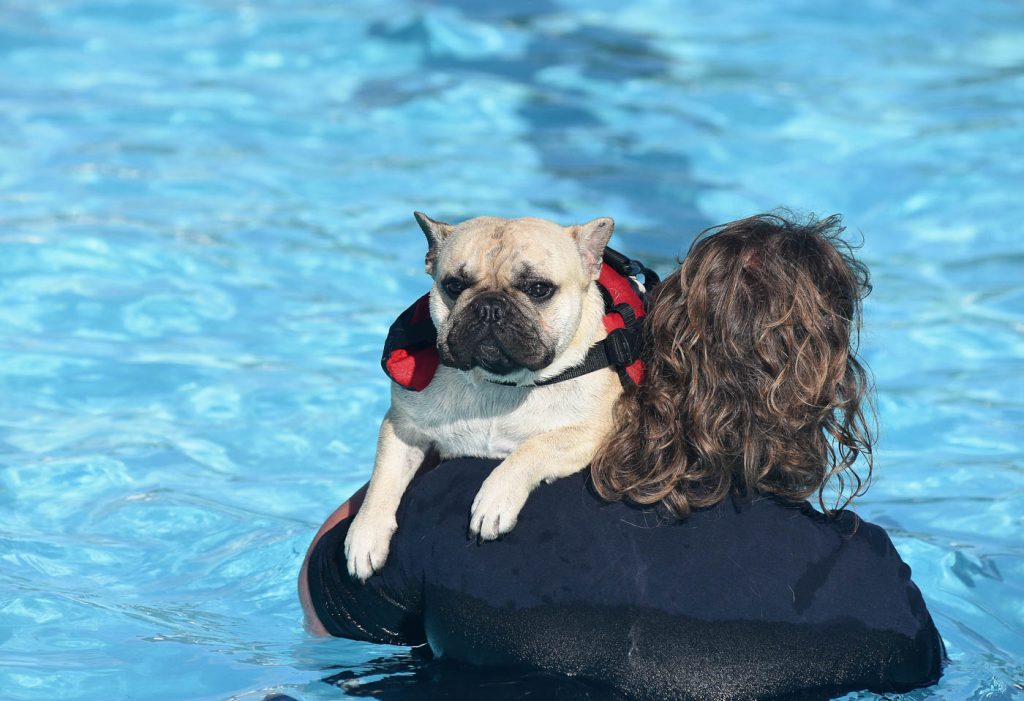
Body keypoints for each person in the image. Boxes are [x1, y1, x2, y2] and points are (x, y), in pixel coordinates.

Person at [299, 213, 945, 700]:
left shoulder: (463, 506)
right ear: (832, 393)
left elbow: (322, 610)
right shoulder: (877, 588)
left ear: (651, 343)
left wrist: (433, 432)